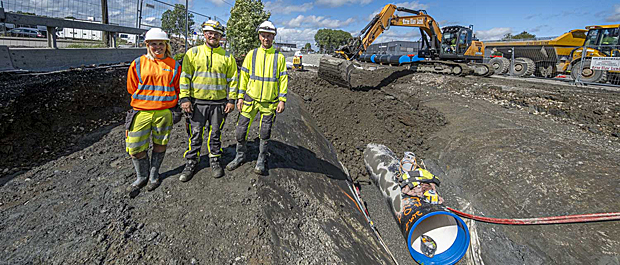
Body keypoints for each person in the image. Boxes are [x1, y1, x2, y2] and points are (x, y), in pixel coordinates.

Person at [178, 20, 238, 181]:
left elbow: (233, 80)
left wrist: (231, 100)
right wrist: (184, 98)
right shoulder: (193, 53)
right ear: (204, 34)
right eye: (210, 33)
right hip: (197, 102)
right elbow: (185, 77)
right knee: (195, 134)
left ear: (221, 36)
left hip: (219, 103)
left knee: (215, 133)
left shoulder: (227, 57)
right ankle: (192, 161)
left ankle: (214, 159)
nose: (213, 36)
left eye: (216, 34)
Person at [226, 21, 288, 175]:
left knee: (265, 132)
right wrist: (240, 97)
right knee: (240, 131)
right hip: (250, 100)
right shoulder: (251, 54)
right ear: (259, 37)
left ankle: (261, 159)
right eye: (263, 35)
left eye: (269, 36)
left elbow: (283, 79)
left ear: (273, 37)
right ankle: (240, 156)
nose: (266, 38)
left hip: (269, 103)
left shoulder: (279, 57)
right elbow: (244, 77)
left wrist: (282, 99)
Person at [125, 28, 180, 193]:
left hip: (164, 113)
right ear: (147, 45)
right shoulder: (138, 63)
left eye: (161, 44)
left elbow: (178, 88)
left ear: (166, 45)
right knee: (135, 149)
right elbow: (131, 87)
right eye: (154, 44)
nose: (158, 47)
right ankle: (141, 176)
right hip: (141, 112)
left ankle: (154, 174)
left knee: (160, 144)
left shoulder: (174, 65)